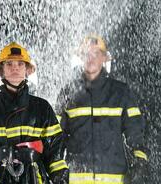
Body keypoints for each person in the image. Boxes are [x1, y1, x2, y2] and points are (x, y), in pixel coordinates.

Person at [0, 42, 69, 183]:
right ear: (1, 70)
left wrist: (60, 175)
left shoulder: (42, 107)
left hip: (34, 178)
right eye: (9, 64)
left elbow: (54, 149)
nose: (15, 68)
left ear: (27, 70)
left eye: (20, 64)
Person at [55, 34, 148, 184]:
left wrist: (140, 161)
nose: (90, 58)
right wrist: (57, 170)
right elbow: (56, 137)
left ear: (104, 58)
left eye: (96, 53)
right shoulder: (68, 93)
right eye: (86, 54)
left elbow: (135, 132)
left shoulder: (120, 92)